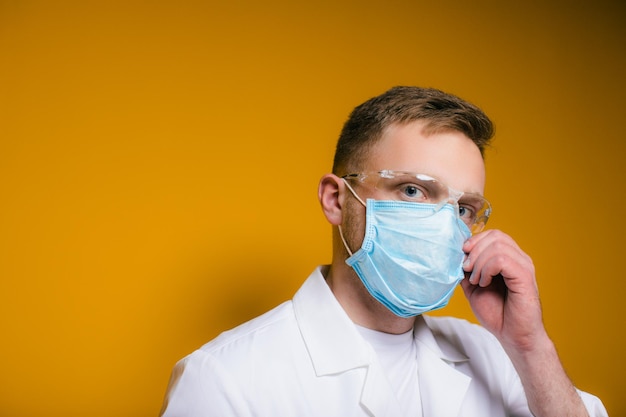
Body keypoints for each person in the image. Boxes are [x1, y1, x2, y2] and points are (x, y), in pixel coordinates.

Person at [160, 86, 608, 416]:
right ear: (337, 200)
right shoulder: (225, 380)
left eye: (465, 208)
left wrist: (530, 347)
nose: (443, 224)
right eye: (413, 190)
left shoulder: (502, 356)